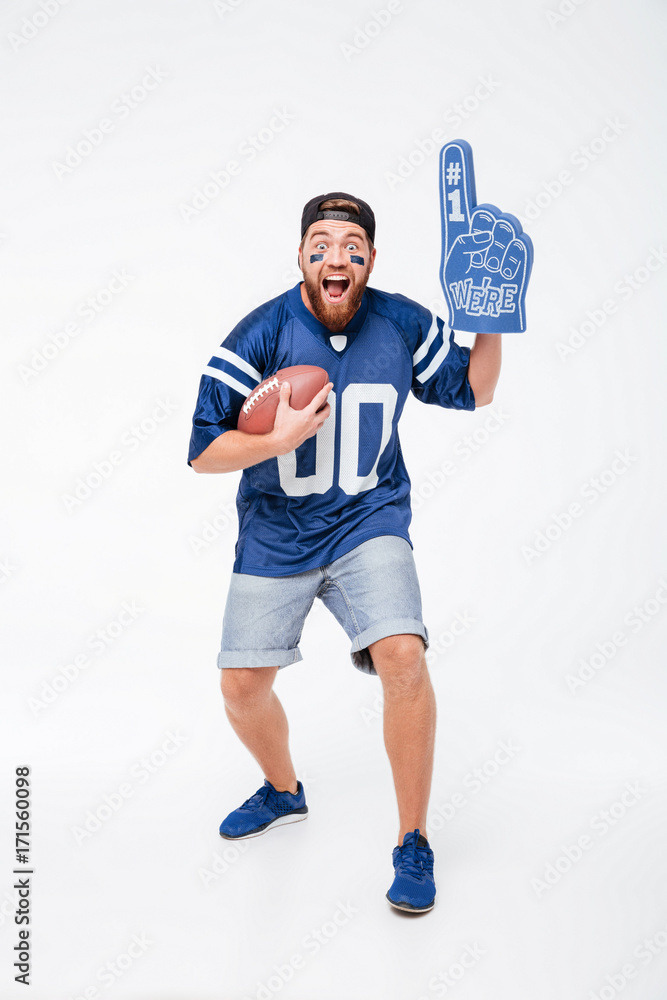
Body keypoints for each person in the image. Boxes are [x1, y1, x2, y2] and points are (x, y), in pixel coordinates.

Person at [187, 192, 501, 913]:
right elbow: (203, 452)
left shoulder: (399, 320)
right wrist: (274, 440)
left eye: (353, 244)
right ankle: (282, 789)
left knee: (402, 657)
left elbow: (476, 390)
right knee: (240, 689)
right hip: (277, 532)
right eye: (322, 242)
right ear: (300, 255)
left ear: (371, 260)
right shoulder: (261, 331)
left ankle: (412, 839)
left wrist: (492, 323)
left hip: (368, 521)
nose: (337, 256)